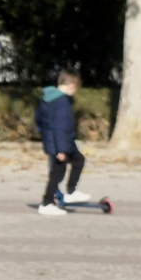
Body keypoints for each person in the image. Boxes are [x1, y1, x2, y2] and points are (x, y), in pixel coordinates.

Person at [35, 69, 92, 216]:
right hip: (60, 144)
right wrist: (61, 150)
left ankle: (70, 191)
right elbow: (60, 127)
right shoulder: (62, 102)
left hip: (58, 142)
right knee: (57, 174)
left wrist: (46, 135)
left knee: (78, 160)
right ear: (72, 85)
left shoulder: (48, 98)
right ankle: (46, 203)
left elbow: (39, 119)